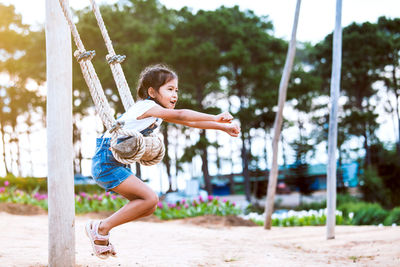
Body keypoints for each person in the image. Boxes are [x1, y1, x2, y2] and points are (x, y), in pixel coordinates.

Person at [86, 64, 241, 259]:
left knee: (149, 205)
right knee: (150, 198)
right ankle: (100, 228)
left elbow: (189, 121)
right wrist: (216, 117)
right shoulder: (146, 106)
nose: (175, 94)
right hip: (106, 161)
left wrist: (220, 127)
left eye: (176, 90)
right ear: (152, 91)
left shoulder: (157, 113)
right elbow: (182, 115)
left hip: (115, 162)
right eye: (169, 89)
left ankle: (101, 229)